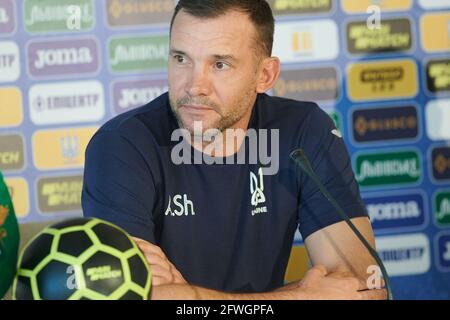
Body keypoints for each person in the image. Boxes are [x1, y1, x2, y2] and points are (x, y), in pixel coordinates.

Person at [82, 0, 386, 300]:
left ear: (265, 75)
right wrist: (301, 296)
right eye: (181, 59)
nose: (194, 86)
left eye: (220, 64)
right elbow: (128, 296)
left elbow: (361, 285)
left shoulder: (303, 131)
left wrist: (186, 295)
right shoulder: (122, 145)